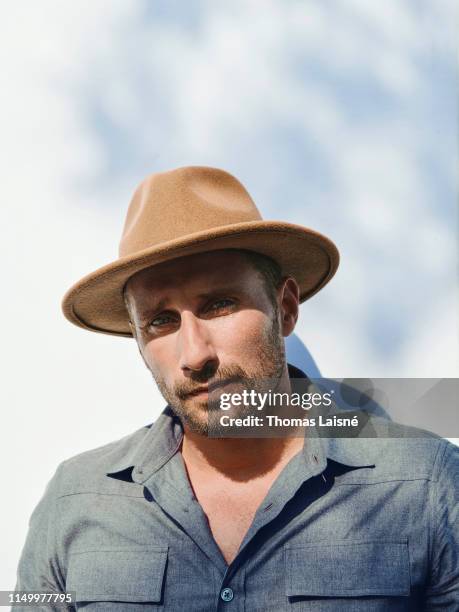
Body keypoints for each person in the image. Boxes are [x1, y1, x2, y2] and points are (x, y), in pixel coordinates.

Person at [15, 166, 459, 610]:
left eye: (219, 304)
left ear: (285, 308)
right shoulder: (74, 501)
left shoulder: (425, 484)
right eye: (160, 321)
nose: (194, 354)